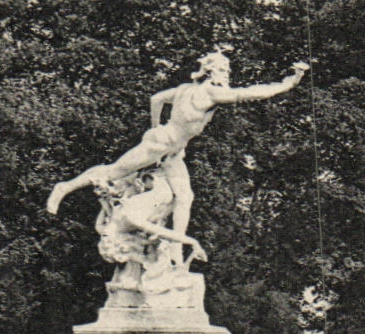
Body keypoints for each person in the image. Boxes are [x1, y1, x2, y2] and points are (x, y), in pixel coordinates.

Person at [46, 51, 310, 239]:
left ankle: (174, 247)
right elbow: (250, 93)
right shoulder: (212, 92)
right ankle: (64, 187)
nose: (227, 74)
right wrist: (289, 83)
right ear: (211, 72)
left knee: (185, 197)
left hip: (171, 150)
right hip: (164, 143)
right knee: (113, 171)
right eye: (224, 70)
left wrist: (154, 126)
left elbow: (156, 99)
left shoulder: (184, 89)